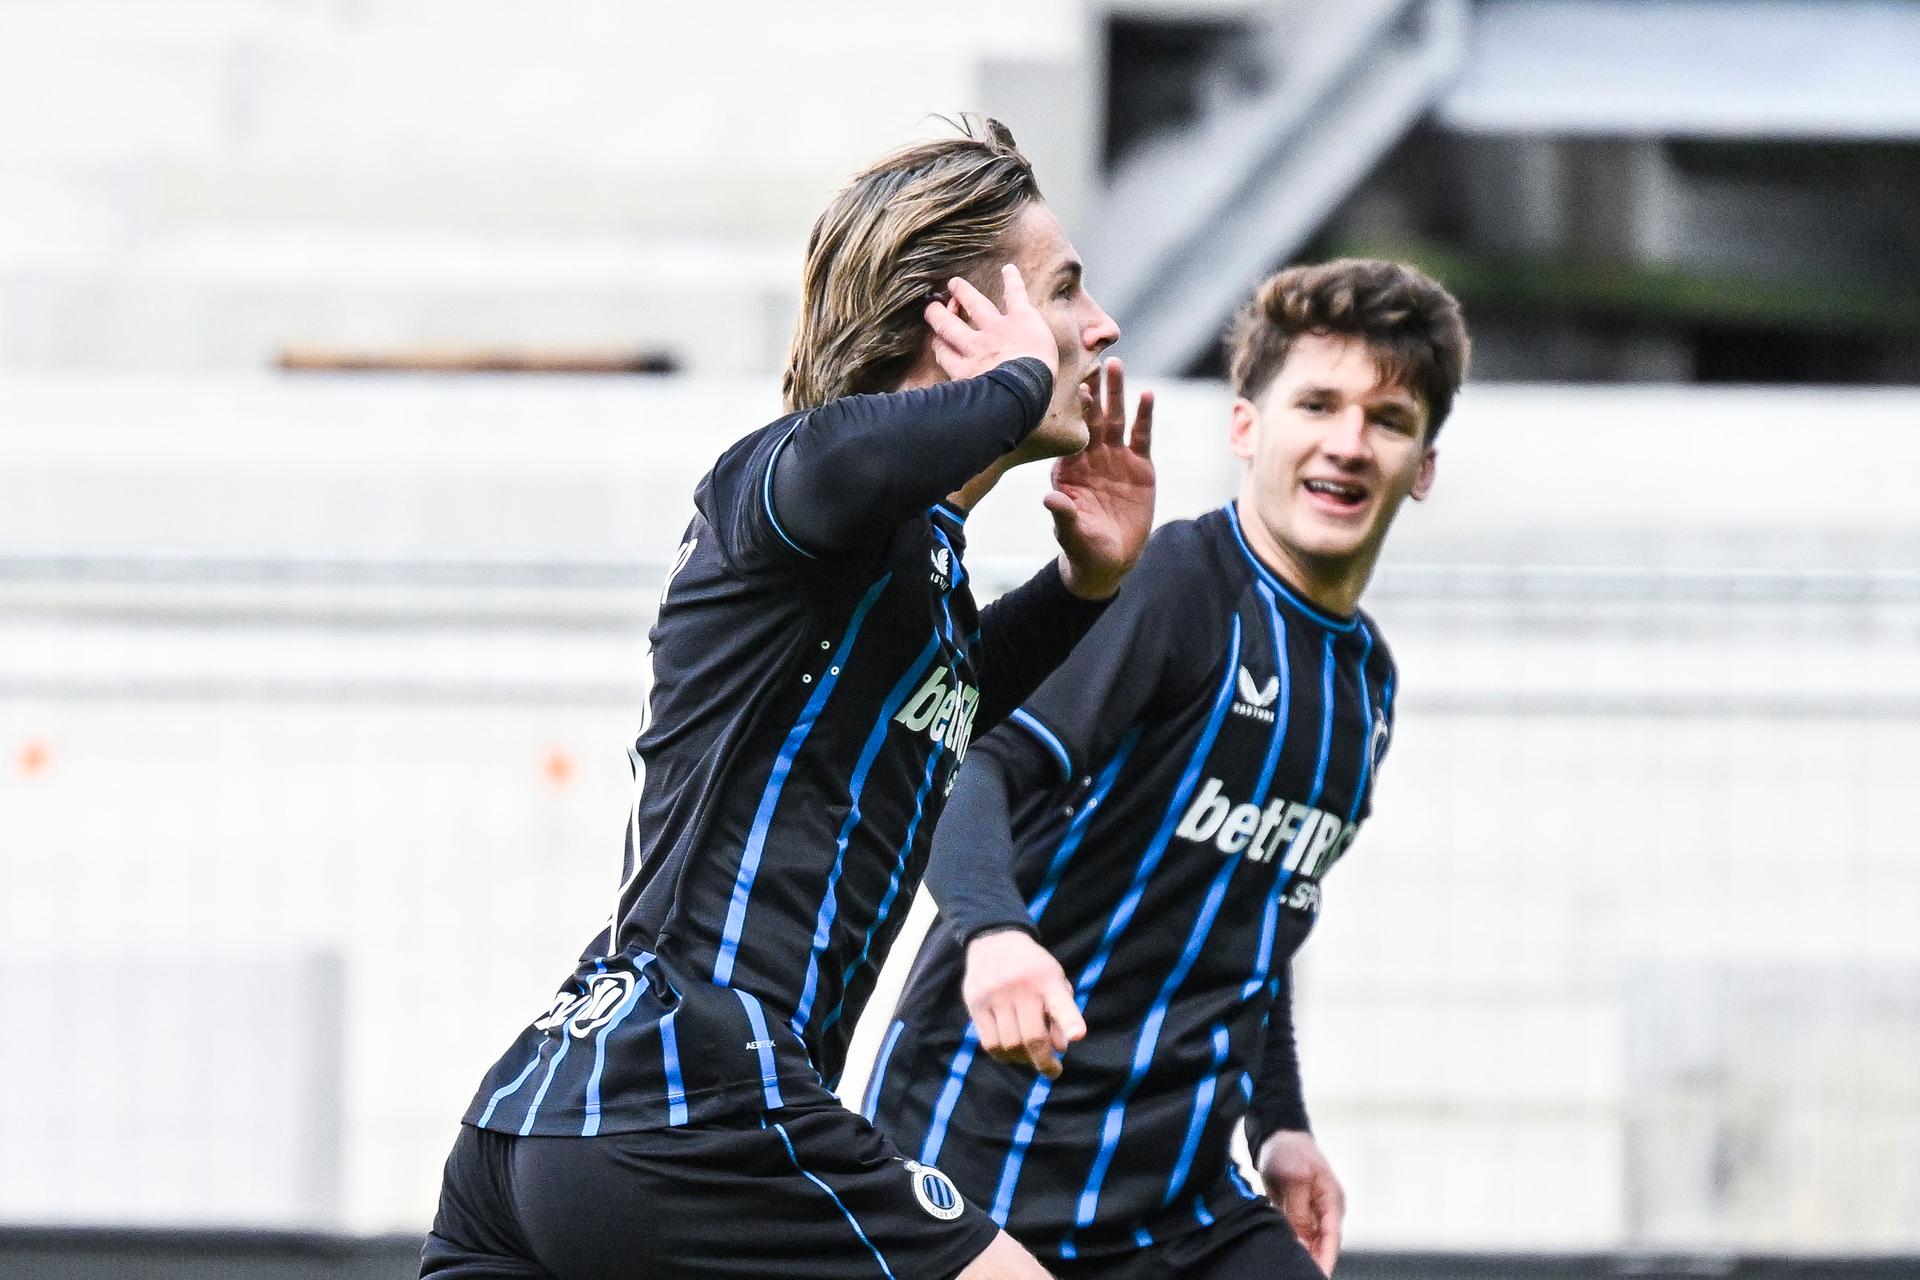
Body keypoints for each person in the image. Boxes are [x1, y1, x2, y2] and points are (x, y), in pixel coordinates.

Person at [419, 116, 1154, 1280]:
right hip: (698, 1097)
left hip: (553, 1114)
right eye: (1064, 289)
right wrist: (1017, 382)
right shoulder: (787, 476)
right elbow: (847, 462)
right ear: (955, 314)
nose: (1100, 326)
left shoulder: (905, 566)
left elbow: (945, 698)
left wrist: (1084, 587)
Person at [864, 259, 1470, 1278]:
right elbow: (974, 764)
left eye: (1388, 417)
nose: (1347, 441)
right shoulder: (1181, 586)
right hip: (989, 1167)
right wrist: (996, 933)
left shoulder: (1366, 684)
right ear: (1245, 427)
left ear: (1423, 464)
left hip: (1183, 1206)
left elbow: (1253, 922)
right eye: (1316, 403)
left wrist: (1281, 1123)